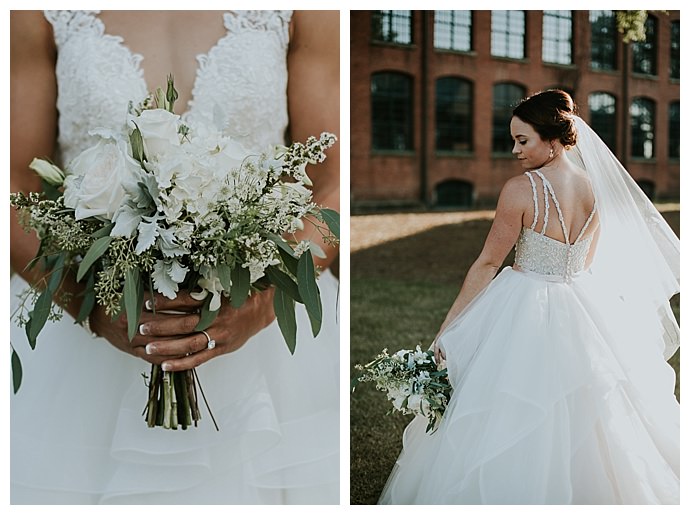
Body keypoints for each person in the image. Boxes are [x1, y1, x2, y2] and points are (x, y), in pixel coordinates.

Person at [10, 10, 340, 504]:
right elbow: (14, 184)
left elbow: (333, 181)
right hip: (82, 331)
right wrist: (93, 309)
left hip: (264, 337)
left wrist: (264, 303)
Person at [378, 90, 679, 504]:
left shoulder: (521, 190)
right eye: (514, 140)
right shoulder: (596, 189)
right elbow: (587, 260)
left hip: (525, 303)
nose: (515, 150)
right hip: (582, 302)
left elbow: (487, 264)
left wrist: (447, 331)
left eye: (524, 140)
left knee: (508, 400)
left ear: (552, 140)